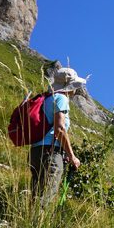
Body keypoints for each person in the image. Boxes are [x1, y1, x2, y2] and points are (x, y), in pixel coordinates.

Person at [30, 67, 86, 207]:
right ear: (70, 86)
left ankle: (27, 224)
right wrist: (71, 156)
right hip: (50, 154)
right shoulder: (61, 98)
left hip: (36, 152)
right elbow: (59, 129)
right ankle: (37, 226)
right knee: (45, 198)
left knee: (36, 194)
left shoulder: (46, 98)